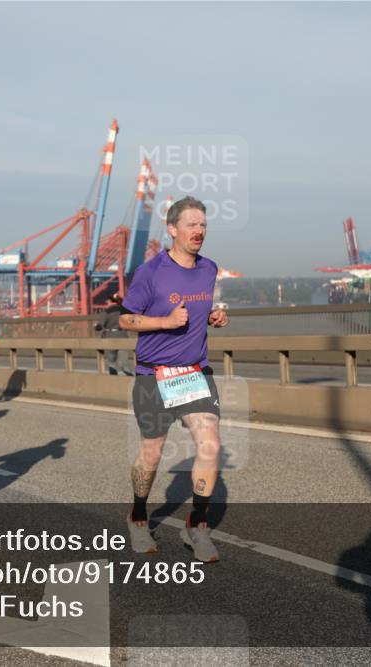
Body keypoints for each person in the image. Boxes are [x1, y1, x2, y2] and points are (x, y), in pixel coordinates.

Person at [118, 197, 229, 562]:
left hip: (194, 373)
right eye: (192, 225)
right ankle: (137, 516)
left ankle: (195, 527)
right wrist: (165, 322)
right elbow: (126, 319)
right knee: (152, 453)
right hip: (154, 375)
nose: (199, 231)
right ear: (172, 229)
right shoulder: (151, 272)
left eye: (203, 225)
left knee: (210, 444)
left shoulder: (209, 268)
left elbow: (198, 308)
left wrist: (211, 315)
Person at [95, 293, 133, 375]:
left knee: (111, 361)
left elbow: (100, 326)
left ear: (110, 301)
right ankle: (132, 377)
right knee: (124, 363)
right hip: (123, 335)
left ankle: (114, 379)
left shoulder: (106, 312)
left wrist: (97, 327)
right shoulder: (124, 310)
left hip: (110, 337)